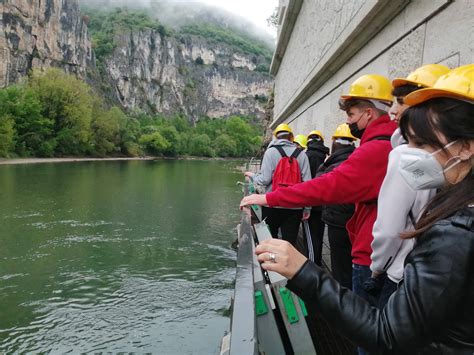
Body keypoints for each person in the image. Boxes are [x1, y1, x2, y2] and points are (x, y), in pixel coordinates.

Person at [252, 64, 474, 353]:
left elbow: (386, 334)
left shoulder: (454, 234)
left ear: (465, 147)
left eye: (422, 143)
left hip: (378, 266)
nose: (412, 155)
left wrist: (302, 269)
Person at [241, 74, 397, 308]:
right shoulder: (391, 144)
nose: (349, 121)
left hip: (371, 254)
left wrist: (267, 197)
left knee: (366, 323)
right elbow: (311, 179)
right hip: (378, 250)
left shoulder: (376, 149)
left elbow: (325, 185)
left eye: (352, 115)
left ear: (369, 113)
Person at [370, 64, 450, 307]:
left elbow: (388, 228)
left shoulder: (405, 155)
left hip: (401, 273)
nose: (392, 111)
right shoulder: (452, 154)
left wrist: (376, 268)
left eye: (401, 101)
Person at [244, 123, 311, 245]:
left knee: (270, 240)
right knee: (289, 243)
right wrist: (307, 208)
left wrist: (253, 176)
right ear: (291, 137)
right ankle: (287, 263)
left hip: (271, 204)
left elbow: (264, 179)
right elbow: (308, 184)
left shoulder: (270, 153)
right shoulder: (302, 154)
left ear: (276, 137)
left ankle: (270, 262)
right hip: (294, 207)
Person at [315, 123, 356, 289]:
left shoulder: (330, 167)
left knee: (339, 266)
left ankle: (343, 303)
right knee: (354, 264)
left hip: (336, 224)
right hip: (355, 222)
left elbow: (318, 186)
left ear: (334, 144)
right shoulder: (358, 162)